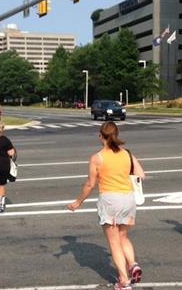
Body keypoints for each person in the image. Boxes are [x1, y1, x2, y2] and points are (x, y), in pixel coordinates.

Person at [66, 122, 145, 290]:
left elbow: (90, 184)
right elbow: (141, 175)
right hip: (128, 198)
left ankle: (124, 281)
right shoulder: (127, 154)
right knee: (123, 236)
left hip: (110, 200)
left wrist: (77, 202)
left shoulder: (97, 158)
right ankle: (133, 264)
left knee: (114, 242)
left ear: (100, 136)